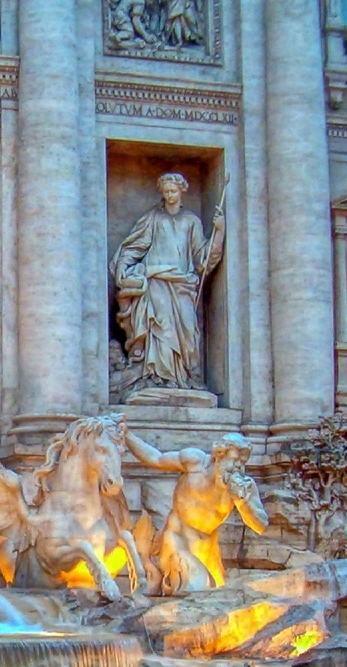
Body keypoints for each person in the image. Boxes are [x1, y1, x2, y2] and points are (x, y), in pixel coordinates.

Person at [110, 172, 224, 391]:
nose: (170, 196)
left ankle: (183, 376)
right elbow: (134, 247)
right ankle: (157, 377)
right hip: (156, 283)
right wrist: (123, 268)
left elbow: (203, 258)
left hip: (182, 284)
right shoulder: (153, 218)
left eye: (173, 191)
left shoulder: (191, 221)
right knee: (159, 328)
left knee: (187, 332)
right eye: (166, 192)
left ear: (182, 191)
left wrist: (219, 232)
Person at [123, 425, 267, 593]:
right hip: (177, 540)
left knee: (218, 597)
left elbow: (261, 525)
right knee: (199, 586)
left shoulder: (244, 487)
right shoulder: (194, 462)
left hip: (208, 550)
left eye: (242, 462)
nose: (237, 467)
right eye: (234, 460)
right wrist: (127, 435)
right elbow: (155, 458)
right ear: (218, 455)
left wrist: (243, 503)